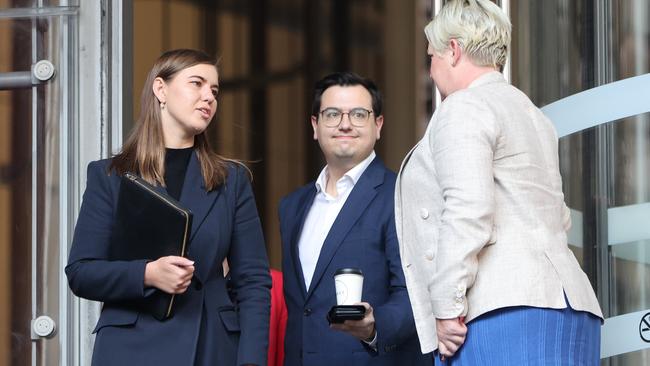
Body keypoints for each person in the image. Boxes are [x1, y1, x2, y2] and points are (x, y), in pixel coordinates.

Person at [395, 1, 603, 365]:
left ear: (454, 51)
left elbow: (468, 209)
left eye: (432, 57)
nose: (430, 72)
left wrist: (445, 306)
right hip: (572, 307)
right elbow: (560, 216)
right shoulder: (532, 114)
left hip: (504, 311)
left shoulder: (463, 107)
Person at [65, 49, 271, 366]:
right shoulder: (110, 176)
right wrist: (148, 274)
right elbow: (82, 272)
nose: (209, 98)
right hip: (129, 348)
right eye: (197, 84)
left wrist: (251, 362)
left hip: (209, 347)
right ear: (160, 89)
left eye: (214, 90)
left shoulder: (232, 180)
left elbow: (253, 282)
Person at [278, 72, 430, 366]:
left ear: (378, 125)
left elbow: (416, 294)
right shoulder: (291, 207)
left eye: (359, 114)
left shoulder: (401, 195)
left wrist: (374, 327)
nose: (345, 124)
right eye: (332, 114)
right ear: (315, 125)